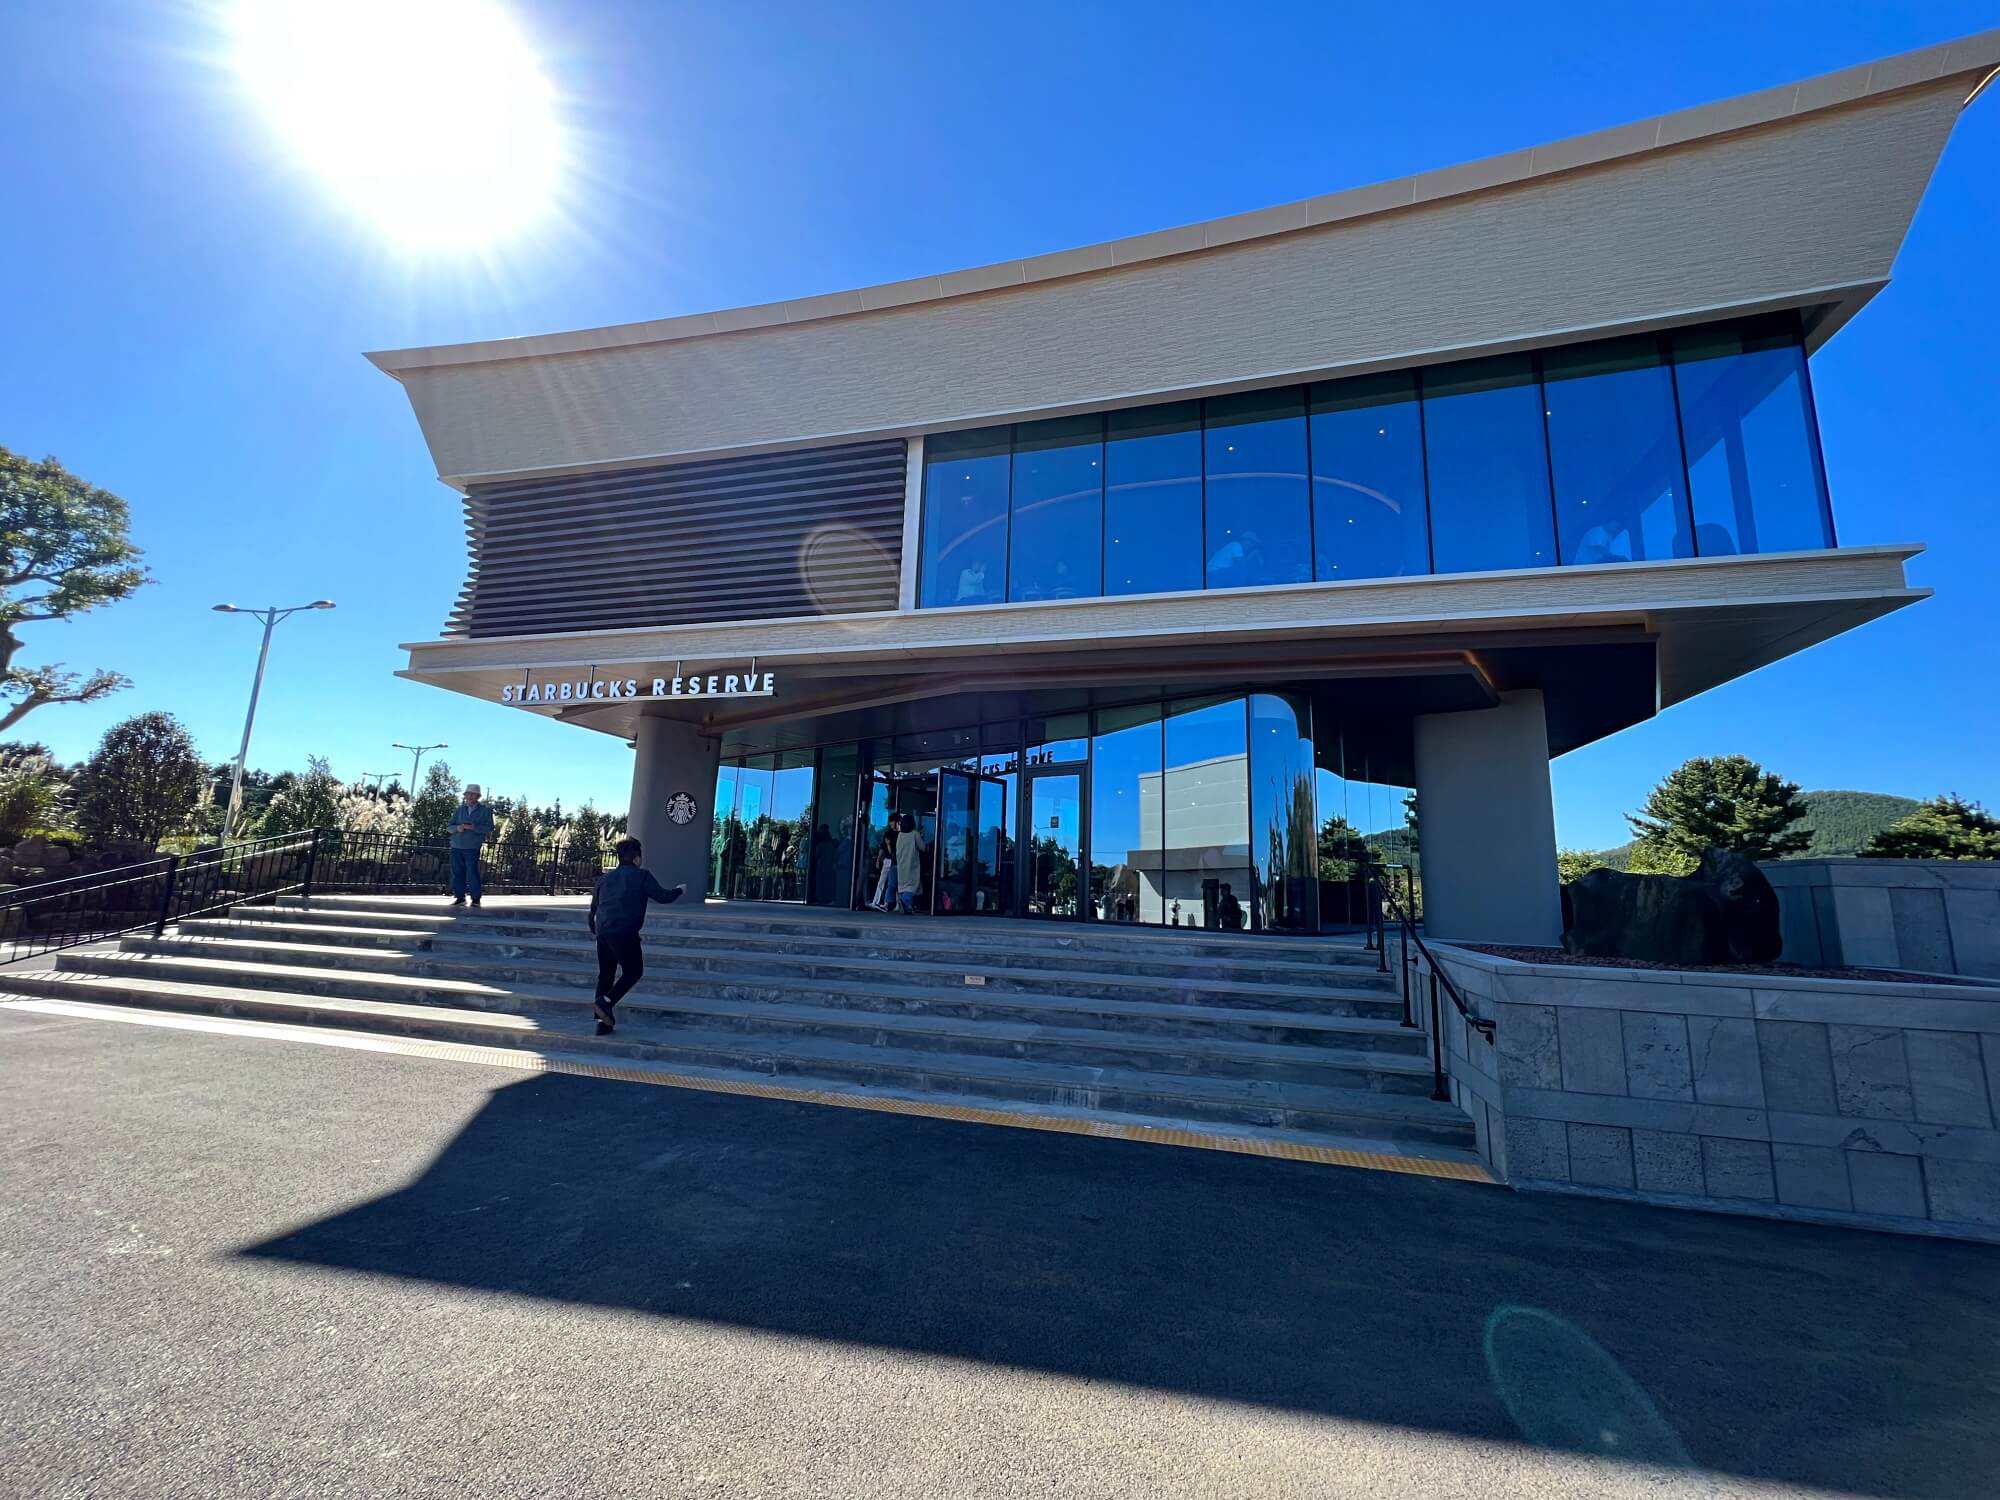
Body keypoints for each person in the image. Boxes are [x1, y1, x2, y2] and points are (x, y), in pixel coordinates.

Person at [587, 836, 686, 1035]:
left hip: (603, 932)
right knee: (633, 971)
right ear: (637, 858)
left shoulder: (604, 879)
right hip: (624, 932)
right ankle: (605, 1002)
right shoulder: (641, 876)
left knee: (605, 976)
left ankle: (602, 1023)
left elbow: (592, 910)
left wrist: (596, 930)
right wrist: (679, 891)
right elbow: (663, 897)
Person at [447, 784, 495, 907]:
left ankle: (475, 899)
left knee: (472, 873)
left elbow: (489, 828)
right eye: (468, 794)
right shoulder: (459, 810)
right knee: (457, 873)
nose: (470, 796)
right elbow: (449, 827)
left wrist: (474, 828)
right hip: (456, 846)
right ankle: (460, 897)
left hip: (472, 847)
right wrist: (458, 828)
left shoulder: (485, 811)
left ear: (478, 796)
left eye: (473, 794)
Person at [895, 814, 928, 914]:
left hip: (901, 864)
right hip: (911, 864)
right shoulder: (914, 834)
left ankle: (905, 903)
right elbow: (922, 847)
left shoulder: (900, 835)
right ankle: (905, 901)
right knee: (912, 885)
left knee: (904, 885)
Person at [869, 814, 898, 911]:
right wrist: (878, 859)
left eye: (892, 821)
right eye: (890, 822)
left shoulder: (900, 834)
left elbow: (892, 850)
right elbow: (882, 847)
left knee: (894, 883)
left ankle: (893, 904)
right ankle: (876, 901)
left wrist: (888, 845)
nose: (891, 824)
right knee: (882, 881)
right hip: (887, 860)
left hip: (895, 860)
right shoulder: (888, 833)